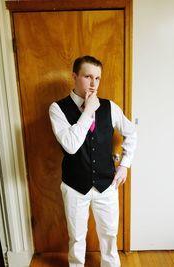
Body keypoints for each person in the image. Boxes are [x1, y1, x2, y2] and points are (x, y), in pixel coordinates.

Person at [49, 55, 137, 267]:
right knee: (77, 237)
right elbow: (70, 145)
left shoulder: (109, 107)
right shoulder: (57, 108)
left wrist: (124, 165)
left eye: (97, 78)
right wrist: (88, 110)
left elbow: (131, 133)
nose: (93, 83)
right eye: (88, 76)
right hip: (74, 185)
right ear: (74, 76)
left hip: (107, 185)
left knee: (109, 235)